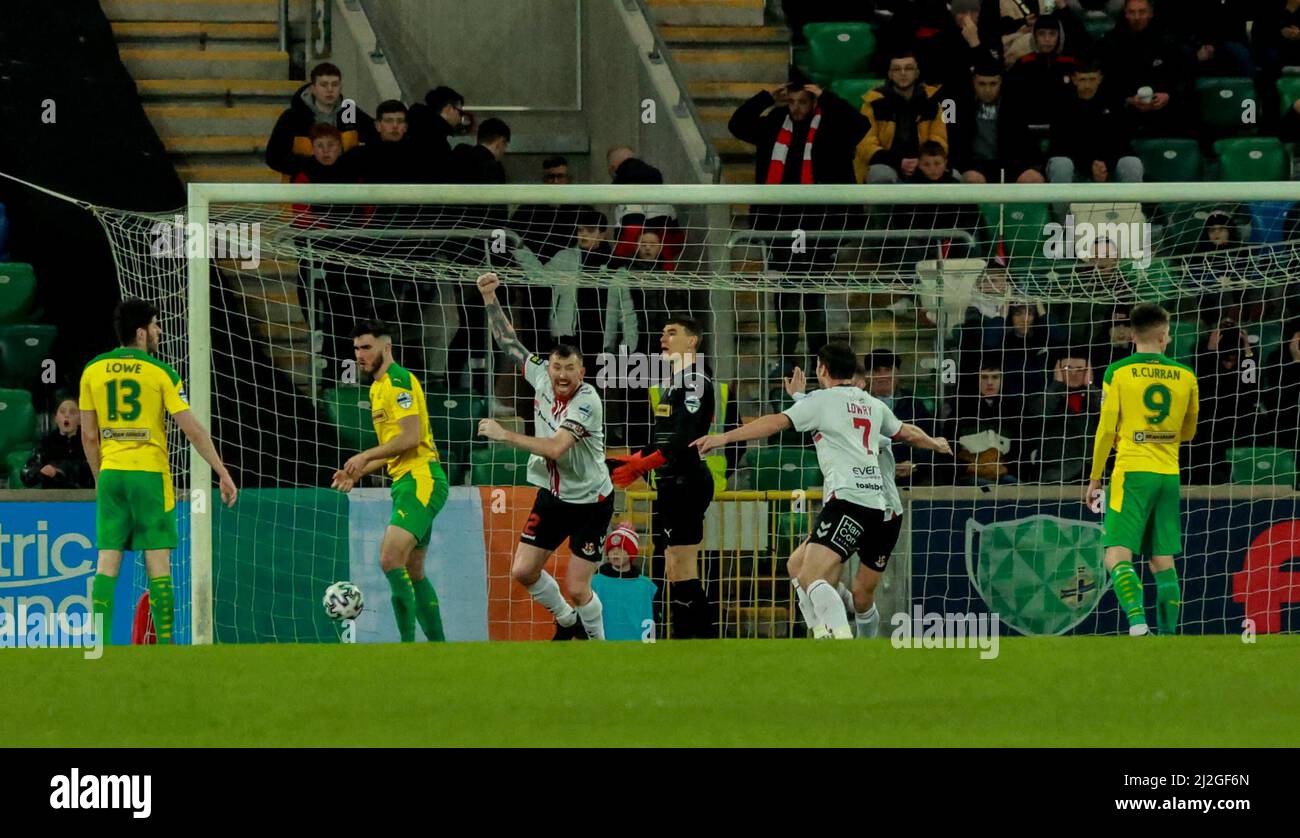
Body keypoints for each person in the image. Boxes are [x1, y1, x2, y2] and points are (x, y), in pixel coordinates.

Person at [693, 342, 951, 639]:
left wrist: (723, 437)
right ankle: (824, 631)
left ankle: (837, 639)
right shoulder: (871, 403)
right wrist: (935, 443)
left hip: (848, 500)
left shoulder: (821, 402)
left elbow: (775, 423)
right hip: (875, 502)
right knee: (799, 567)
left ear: (822, 369)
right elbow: (905, 431)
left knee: (811, 577)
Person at [81, 299, 238, 644]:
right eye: (155, 325)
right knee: (159, 565)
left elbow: (89, 436)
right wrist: (221, 471)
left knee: (107, 561)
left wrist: (100, 478)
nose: (159, 331)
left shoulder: (92, 370)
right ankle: (165, 648)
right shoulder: (161, 373)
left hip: (111, 473)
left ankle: (98, 647)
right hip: (149, 474)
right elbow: (192, 429)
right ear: (140, 333)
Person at [474, 272, 613, 640]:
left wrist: (505, 435)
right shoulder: (539, 375)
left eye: (570, 369)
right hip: (553, 497)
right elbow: (509, 342)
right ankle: (567, 622)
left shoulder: (587, 402)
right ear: (548, 367)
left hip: (590, 501)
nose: (562, 375)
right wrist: (490, 297)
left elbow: (555, 448)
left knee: (579, 588)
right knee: (523, 571)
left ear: (582, 372)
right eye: (557, 367)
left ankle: (601, 648)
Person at [332, 320, 449, 642]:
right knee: (413, 571)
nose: (359, 355)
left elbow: (410, 438)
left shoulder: (398, 381)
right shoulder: (377, 387)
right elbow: (394, 448)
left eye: (366, 347)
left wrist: (364, 455)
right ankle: (440, 648)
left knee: (388, 558)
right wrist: (358, 470)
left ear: (387, 347)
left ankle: (406, 646)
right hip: (405, 479)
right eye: (356, 348)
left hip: (421, 478)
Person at [1086, 303, 1198, 636]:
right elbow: (1189, 432)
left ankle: (1137, 624)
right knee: (1162, 560)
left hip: (1132, 473)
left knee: (1116, 554)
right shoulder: (1186, 375)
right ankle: (1168, 636)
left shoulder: (1117, 372)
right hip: (1168, 474)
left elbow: (1106, 430)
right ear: (1164, 336)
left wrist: (1094, 478)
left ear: (1132, 335)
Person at [609, 318, 716, 639]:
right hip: (672, 482)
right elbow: (664, 437)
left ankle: (698, 639)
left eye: (673, 333)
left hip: (687, 481)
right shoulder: (674, 382)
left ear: (693, 341)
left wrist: (642, 465)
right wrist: (637, 459)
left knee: (681, 564)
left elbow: (684, 437)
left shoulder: (696, 379)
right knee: (674, 565)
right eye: (662, 332)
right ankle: (693, 641)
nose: (663, 338)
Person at [266, 62, 376, 178]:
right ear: (313, 88)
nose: (330, 90)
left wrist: (352, 160)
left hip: (345, 185)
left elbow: (377, 140)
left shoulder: (351, 113)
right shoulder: (292, 117)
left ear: (341, 87)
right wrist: (311, 166)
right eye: (324, 85)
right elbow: (274, 157)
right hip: (303, 187)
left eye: (335, 84)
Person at [855, 50, 949, 185]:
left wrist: (924, 162)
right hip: (886, 164)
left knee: (956, 176)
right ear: (890, 74)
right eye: (897, 69)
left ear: (917, 73)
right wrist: (898, 162)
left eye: (909, 68)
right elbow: (865, 144)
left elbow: (940, 139)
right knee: (881, 176)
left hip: (923, 164)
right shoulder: (873, 103)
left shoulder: (932, 102)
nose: (903, 73)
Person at [589, 523, 658, 641]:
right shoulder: (595, 582)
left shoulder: (647, 586)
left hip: (638, 650)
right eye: (612, 549)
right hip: (602, 648)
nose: (615, 553)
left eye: (621, 548)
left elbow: (653, 618)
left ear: (631, 552)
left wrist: (650, 645)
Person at [20, 396, 93, 489]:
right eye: (62, 412)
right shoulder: (46, 442)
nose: (67, 415)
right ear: (56, 418)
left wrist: (62, 470)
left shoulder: (89, 441)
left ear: (80, 419)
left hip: (83, 497)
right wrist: (40, 471)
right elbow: (27, 473)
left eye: (72, 412)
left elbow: (93, 471)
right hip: (53, 497)